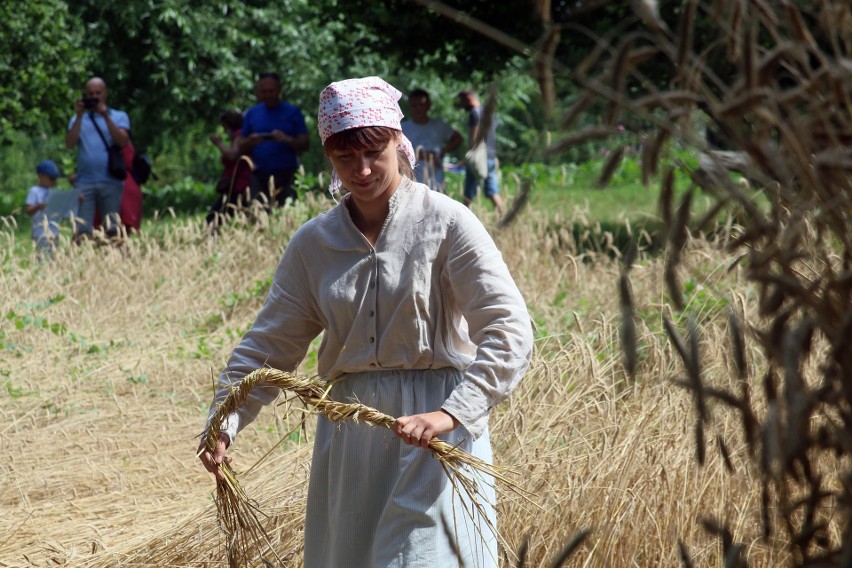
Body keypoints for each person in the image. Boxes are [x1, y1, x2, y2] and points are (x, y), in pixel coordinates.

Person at [198, 76, 534, 567]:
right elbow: (269, 345)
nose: (362, 169)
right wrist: (223, 422)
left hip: (435, 434)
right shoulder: (314, 243)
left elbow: (509, 330)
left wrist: (451, 414)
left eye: (374, 151)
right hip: (353, 434)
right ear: (329, 158)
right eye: (344, 157)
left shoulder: (446, 222)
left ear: (400, 142)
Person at [66, 76, 131, 240]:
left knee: (112, 229)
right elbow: (70, 143)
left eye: (98, 93)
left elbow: (123, 141)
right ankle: (79, 261)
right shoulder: (77, 119)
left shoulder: (119, 117)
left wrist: (106, 117)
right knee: (81, 228)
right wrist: (79, 116)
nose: (94, 97)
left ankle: (113, 262)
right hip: (84, 181)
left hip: (111, 181)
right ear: (85, 96)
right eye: (90, 94)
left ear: (105, 94)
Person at [238, 72, 309, 207]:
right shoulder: (252, 113)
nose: (268, 95)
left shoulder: (293, 112)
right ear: (258, 92)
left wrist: (286, 139)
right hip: (259, 175)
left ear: (279, 90)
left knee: (288, 215)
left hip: (287, 175)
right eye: (264, 91)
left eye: (271, 91)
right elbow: (240, 146)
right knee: (259, 215)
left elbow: (305, 144)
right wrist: (251, 141)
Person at [401, 88, 463, 192]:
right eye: (414, 105)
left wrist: (444, 150)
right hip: (413, 181)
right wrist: (426, 156)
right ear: (409, 106)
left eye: (421, 104)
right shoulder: (403, 128)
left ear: (429, 105)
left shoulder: (439, 125)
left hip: (436, 180)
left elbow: (458, 138)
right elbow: (397, 151)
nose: (418, 108)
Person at [457, 88, 505, 217]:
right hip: (490, 156)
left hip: (478, 157)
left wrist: (468, 156)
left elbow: (474, 136)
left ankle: (464, 220)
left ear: (468, 99)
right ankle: (504, 217)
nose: (461, 105)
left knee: (468, 194)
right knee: (492, 191)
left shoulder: (474, 113)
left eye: (462, 102)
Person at [207, 109, 251, 229]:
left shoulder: (239, 135)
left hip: (239, 184)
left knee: (213, 217)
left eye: (225, 127)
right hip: (237, 184)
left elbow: (232, 155)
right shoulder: (239, 136)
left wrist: (218, 143)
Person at [25, 160, 64, 254]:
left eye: (55, 178)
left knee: (53, 257)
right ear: (40, 176)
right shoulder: (34, 191)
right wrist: (38, 206)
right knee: (42, 256)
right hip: (40, 231)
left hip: (54, 231)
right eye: (51, 178)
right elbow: (28, 210)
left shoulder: (54, 193)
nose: (54, 181)